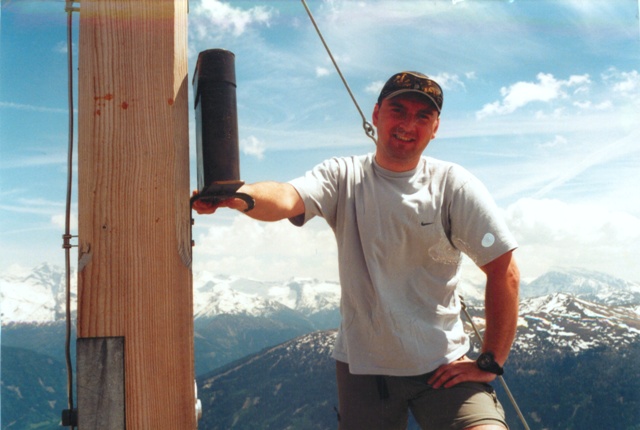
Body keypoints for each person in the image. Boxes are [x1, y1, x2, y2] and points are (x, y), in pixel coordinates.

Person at [193, 71, 520, 430]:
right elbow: (288, 197)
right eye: (398, 110)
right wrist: (242, 196)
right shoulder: (343, 176)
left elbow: (503, 269)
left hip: (443, 365)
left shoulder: (454, 185)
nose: (408, 124)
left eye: (422, 116)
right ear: (377, 114)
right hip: (364, 370)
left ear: (435, 127)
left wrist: (489, 361)